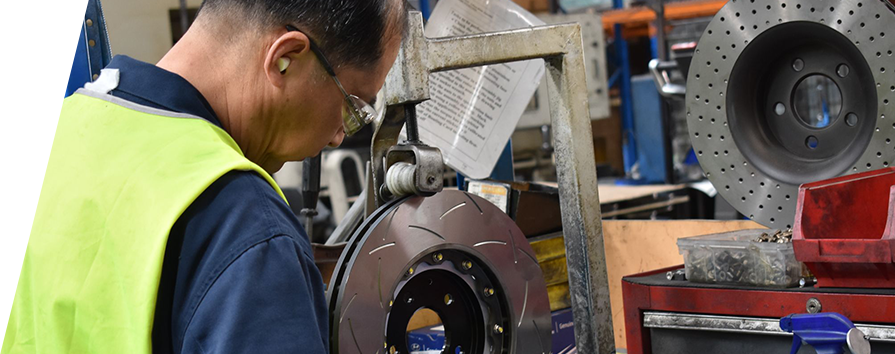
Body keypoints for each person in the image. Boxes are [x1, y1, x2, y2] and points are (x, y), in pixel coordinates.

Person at [5, 0, 405, 353]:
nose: (339, 135)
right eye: (353, 105)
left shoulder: (67, 131)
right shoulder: (245, 226)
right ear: (285, 58)